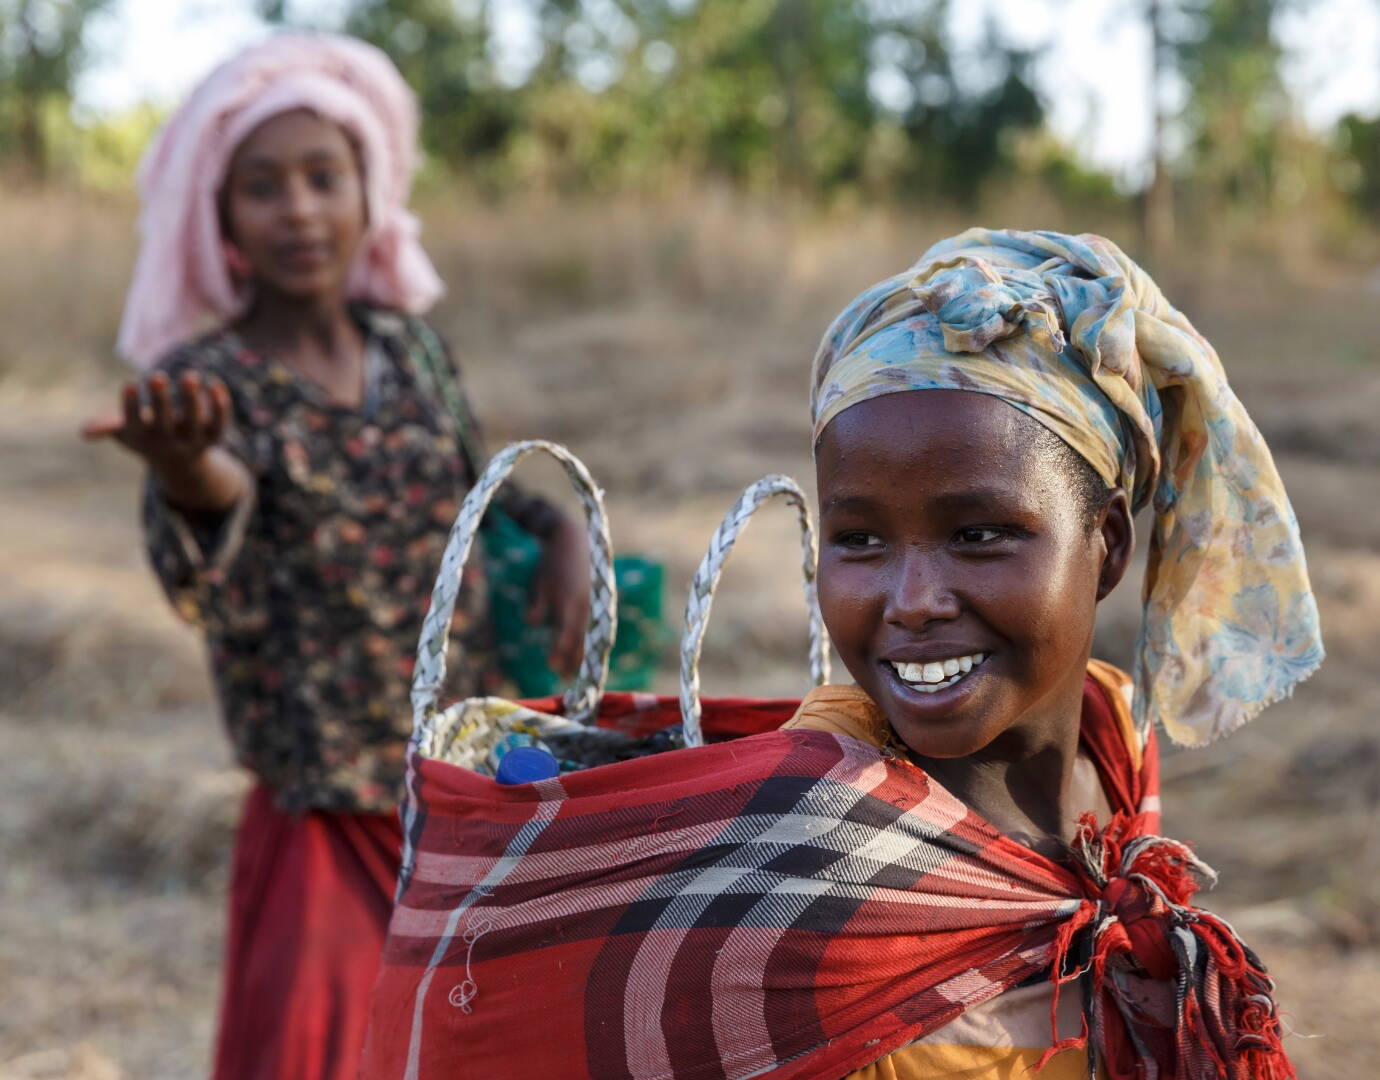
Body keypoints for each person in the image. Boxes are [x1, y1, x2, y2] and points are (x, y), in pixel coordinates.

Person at [361, 229, 1320, 1080]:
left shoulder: (1112, 740)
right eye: (859, 540)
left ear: (1105, 545)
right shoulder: (804, 848)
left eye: (979, 535)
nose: (912, 600)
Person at [80, 33, 589, 1080]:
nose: (299, 210)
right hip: (321, 804)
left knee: (469, 1047)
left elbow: (476, 487)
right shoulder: (208, 383)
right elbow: (217, 517)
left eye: (324, 176)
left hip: (458, 792)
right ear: (222, 219)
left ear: (371, 189)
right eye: (263, 187)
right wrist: (187, 470)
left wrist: (563, 530)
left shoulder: (413, 350)